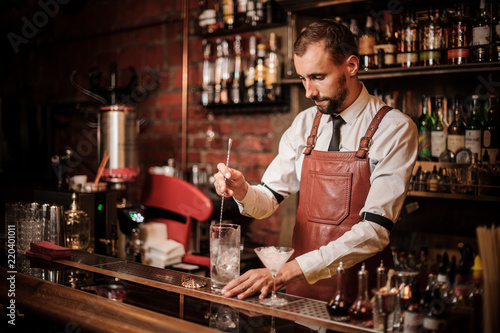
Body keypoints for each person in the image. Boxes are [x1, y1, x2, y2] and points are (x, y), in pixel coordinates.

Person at [213, 19, 418, 303]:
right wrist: (243, 190)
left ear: (351, 66)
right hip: (303, 293)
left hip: (362, 298)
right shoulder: (304, 123)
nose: (309, 91)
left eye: (318, 77)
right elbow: (268, 199)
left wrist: (284, 273)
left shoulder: (394, 128)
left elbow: (375, 230)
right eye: (302, 78)